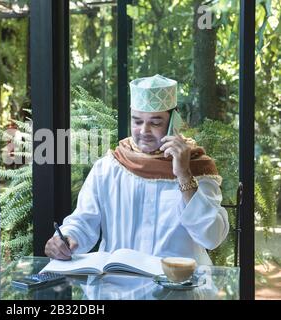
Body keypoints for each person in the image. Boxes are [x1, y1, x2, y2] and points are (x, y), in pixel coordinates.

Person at [45, 74, 229, 265]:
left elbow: (211, 237)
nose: (144, 131)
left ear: (174, 123)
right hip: (117, 286)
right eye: (137, 121)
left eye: (155, 123)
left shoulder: (197, 167)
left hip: (179, 284)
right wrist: (65, 239)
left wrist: (184, 175)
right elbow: (82, 222)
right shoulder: (108, 168)